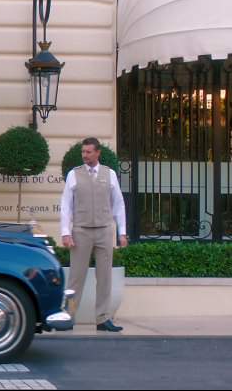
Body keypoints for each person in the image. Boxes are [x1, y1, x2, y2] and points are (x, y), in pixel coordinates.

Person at [60, 137, 127, 332]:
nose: (85, 155)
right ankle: (69, 316)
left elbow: (118, 204)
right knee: (75, 278)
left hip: (105, 230)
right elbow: (66, 205)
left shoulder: (110, 174)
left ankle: (103, 318)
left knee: (105, 276)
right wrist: (66, 232)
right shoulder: (74, 174)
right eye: (83, 152)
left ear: (98, 153)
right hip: (81, 231)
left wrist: (122, 232)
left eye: (89, 152)